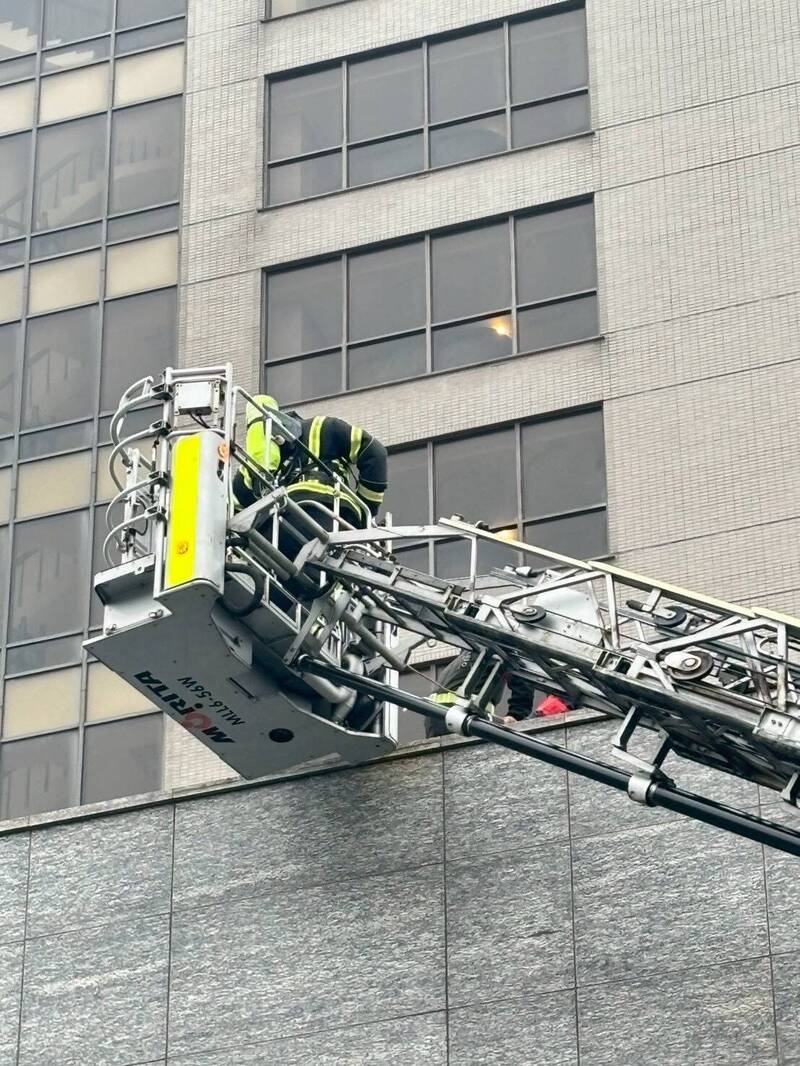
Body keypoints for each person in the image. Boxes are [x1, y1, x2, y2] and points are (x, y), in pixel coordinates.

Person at [232, 395, 388, 543]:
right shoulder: (321, 427)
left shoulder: (253, 464)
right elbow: (374, 452)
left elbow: (232, 508)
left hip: (275, 532)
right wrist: (366, 512)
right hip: (330, 515)